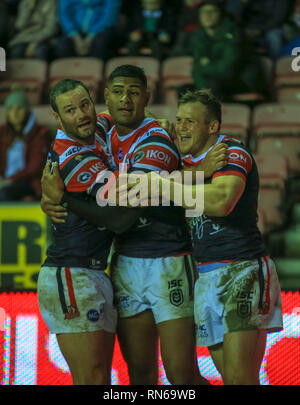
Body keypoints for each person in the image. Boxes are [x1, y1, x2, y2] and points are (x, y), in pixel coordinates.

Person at [42, 66, 226, 385]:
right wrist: (51, 198)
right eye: (117, 91)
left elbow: (131, 203)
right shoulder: (99, 129)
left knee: (181, 375)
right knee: (140, 374)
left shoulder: (154, 138)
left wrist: (63, 200)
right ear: (107, 98)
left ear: (146, 97)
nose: (125, 99)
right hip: (122, 262)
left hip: (167, 258)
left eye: (134, 92)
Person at [128, 89, 283, 385]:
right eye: (179, 121)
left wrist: (160, 184)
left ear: (212, 126)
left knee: (240, 378)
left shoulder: (231, 151)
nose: (181, 127)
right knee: (230, 379)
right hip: (206, 275)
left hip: (243, 269)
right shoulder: (185, 166)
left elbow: (221, 202)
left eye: (189, 121)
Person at [38, 78, 144, 385]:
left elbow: (119, 116)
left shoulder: (95, 129)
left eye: (85, 105)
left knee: (100, 379)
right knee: (93, 379)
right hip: (72, 273)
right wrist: (159, 185)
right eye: (70, 110)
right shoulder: (73, 159)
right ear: (57, 117)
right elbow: (121, 220)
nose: (82, 114)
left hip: (93, 271)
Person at [0, 87, 52, 201]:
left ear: (27, 111)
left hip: (29, 183)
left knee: (3, 194)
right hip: (5, 181)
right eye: (11, 109)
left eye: (19, 108)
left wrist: (10, 180)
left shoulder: (40, 133)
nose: (15, 113)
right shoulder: (2, 132)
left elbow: (35, 167)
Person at [55, 0, 121, 60]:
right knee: (63, 46)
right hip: (74, 31)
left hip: (101, 28)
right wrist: (76, 37)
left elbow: (110, 15)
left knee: (99, 44)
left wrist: (90, 36)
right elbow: (64, 13)